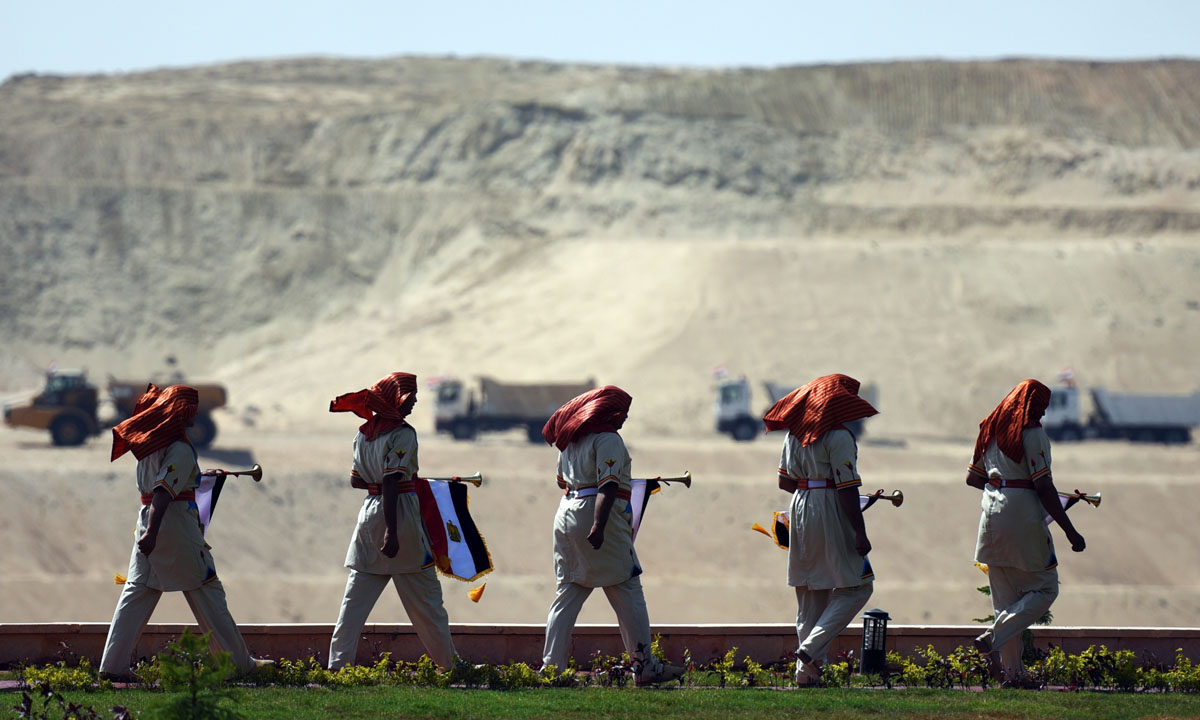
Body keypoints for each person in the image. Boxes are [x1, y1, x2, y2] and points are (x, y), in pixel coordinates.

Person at [100, 384, 265, 679]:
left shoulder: (149, 445)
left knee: (137, 593)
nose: (195, 414)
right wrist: (153, 532)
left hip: (149, 521)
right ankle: (239, 666)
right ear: (182, 411)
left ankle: (112, 667)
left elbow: (162, 484)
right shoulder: (180, 447)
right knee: (206, 589)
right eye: (192, 409)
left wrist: (199, 478)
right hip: (173, 526)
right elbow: (164, 491)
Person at [540, 385, 683, 686]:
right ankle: (644, 666)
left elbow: (561, 482)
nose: (623, 421)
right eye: (622, 414)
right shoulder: (608, 440)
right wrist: (598, 525)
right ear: (607, 413)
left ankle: (551, 669)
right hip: (596, 516)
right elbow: (607, 486)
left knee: (567, 593)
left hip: (566, 513)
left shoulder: (571, 440)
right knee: (628, 587)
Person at [327, 372, 456, 669]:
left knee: (353, 603)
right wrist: (393, 532)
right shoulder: (403, 434)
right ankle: (450, 666)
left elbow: (356, 481)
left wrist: (388, 483)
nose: (414, 403)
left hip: (369, 514)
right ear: (395, 401)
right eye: (409, 399)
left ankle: (336, 666)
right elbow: (392, 482)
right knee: (428, 602)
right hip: (400, 517)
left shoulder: (363, 434)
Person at [967, 379, 1086, 684]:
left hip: (990, 516)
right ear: (1027, 405)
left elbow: (972, 478)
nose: (1042, 415)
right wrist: (1071, 531)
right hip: (1022, 518)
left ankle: (1013, 675)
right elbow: (1044, 486)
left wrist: (1001, 485)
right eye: (1040, 407)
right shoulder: (1031, 434)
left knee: (1005, 601)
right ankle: (995, 635)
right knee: (1047, 588)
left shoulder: (989, 429)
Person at [763, 373, 878, 687]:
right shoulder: (839, 436)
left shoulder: (793, 435)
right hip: (830, 507)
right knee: (858, 587)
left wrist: (812, 489)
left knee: (811, 592)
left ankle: (807, 675)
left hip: (800, 505)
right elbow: (846, 487)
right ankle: (811, 649)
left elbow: (784, 481)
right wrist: (859, 531)